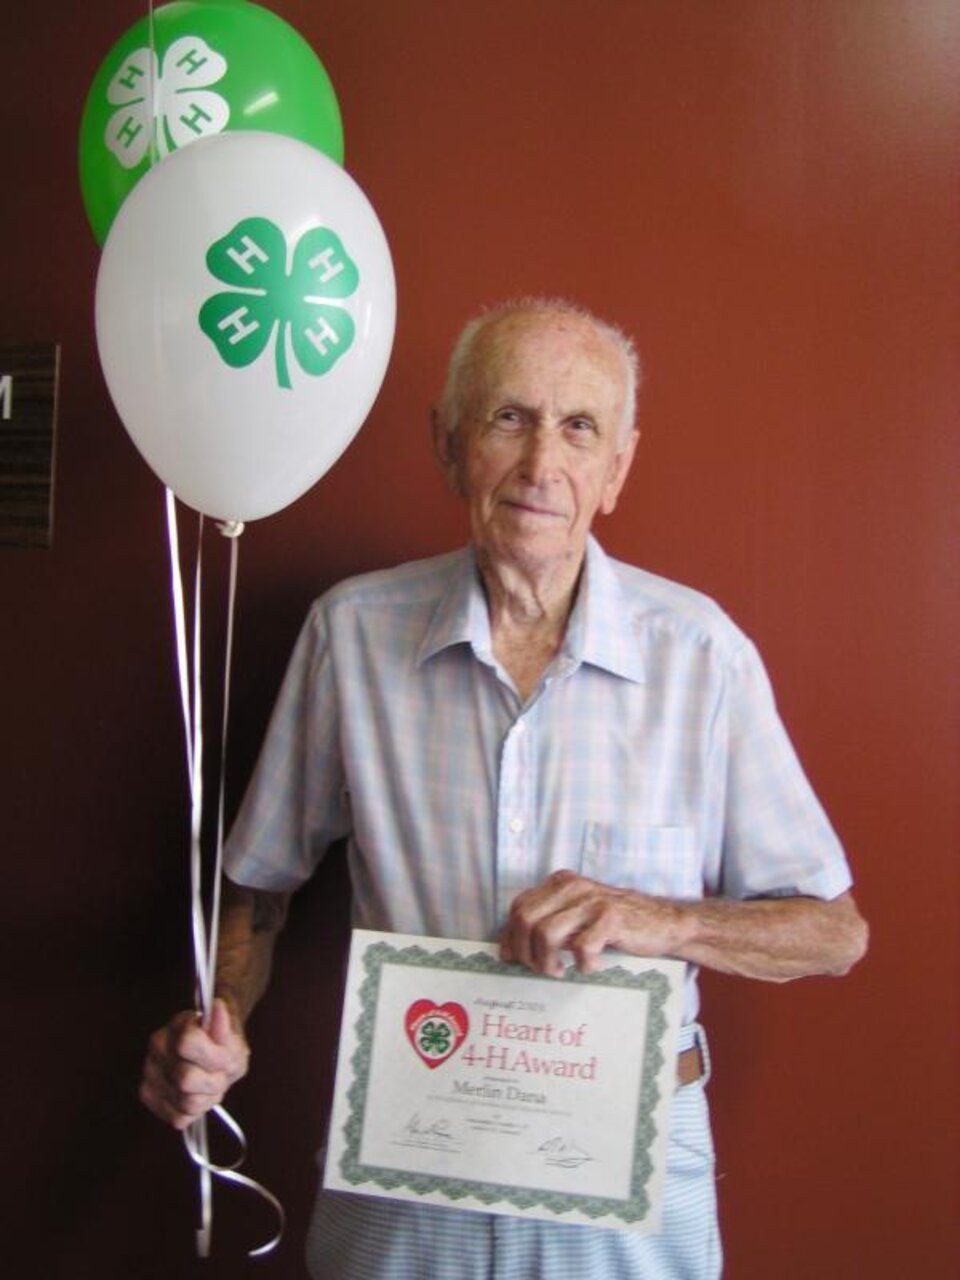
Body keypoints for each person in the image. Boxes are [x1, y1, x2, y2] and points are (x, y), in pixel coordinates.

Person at [141, 297, 868, 1279]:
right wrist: (222, 1019)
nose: (540, 466)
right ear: (448, 445)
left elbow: (834, 929)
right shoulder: (349, 636)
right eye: (508, 418)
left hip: (629, 1189)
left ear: (617, 469)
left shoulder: (701, 657)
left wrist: (657, 919)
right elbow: (262, 886)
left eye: (580, 428)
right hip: (404, 1171)